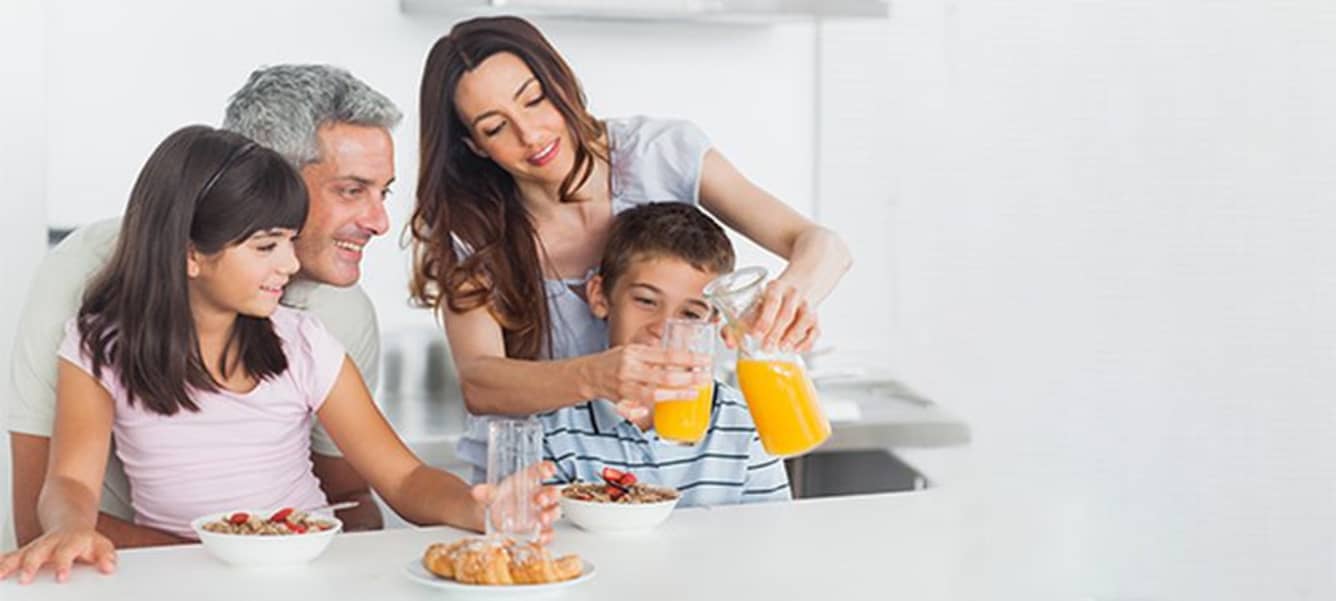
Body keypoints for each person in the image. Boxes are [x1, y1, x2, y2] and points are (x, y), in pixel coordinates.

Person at [0, 126, 559, 585]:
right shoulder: (100, 349)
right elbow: (70, 481)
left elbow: (405, 477)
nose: (290, 265)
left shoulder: (303, 342)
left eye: (289, 241)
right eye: (266, 246)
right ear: (191, 254)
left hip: (308, 573)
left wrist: (475, 506)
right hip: (183, 579)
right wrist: (70, 526)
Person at [409, 16, 853, 482]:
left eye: (535, 100)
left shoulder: (660, 154)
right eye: (496, 127)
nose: (531, 135)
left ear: (560, 82)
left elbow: (824, 245)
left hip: (664, 467)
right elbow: (480, 382)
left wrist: (792, 296)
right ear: (475, 146)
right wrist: (596, 376)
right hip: (533, 479)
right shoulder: (472, 227)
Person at [8, 65, 397, 546]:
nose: (380, 222)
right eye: (352, 190)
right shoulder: (81, 283)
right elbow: (38, 523)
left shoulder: (332, 318)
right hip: (127, 563)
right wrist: (226, 560)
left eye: (384, 192)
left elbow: (353, 497)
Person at [540, 203, 791, 506]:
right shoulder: (553, 428)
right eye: (646, 301)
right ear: (600, 297)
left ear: (711, 324)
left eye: (690, 314)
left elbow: (773, 529)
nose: (663, 329)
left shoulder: (744, 424)